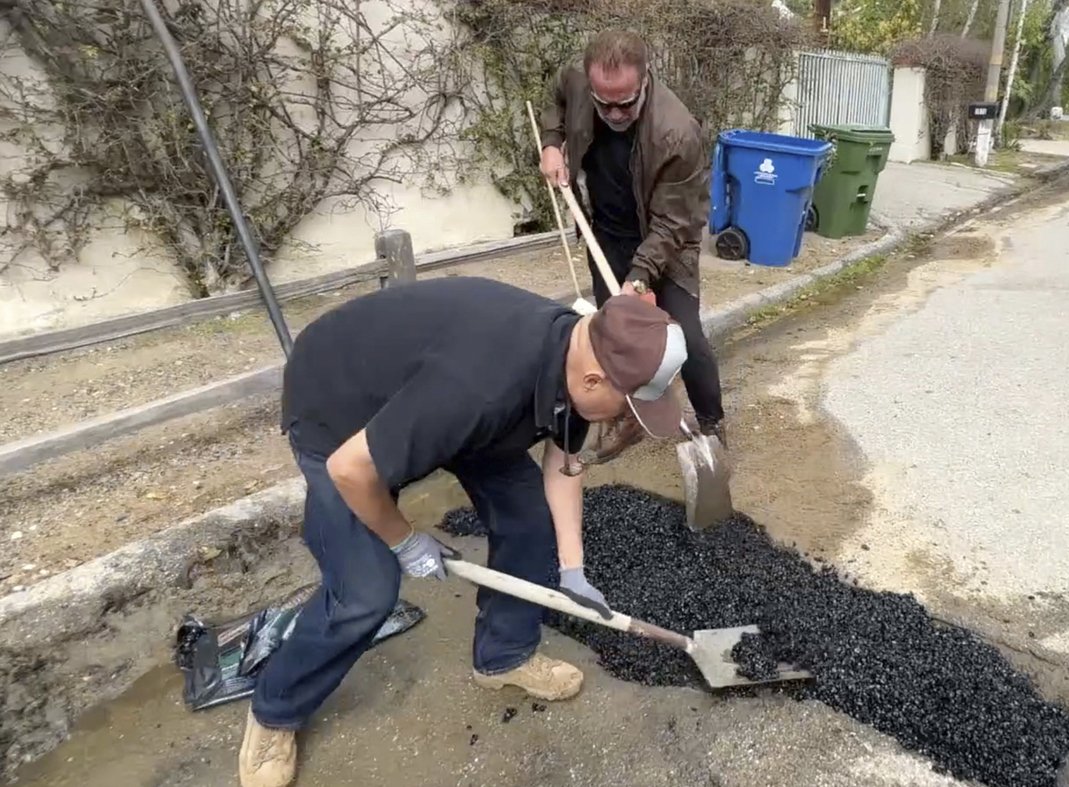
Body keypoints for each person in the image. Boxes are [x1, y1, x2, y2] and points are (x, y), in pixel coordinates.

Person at [238, 276, 688, 787]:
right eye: (629, 406)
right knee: (365, 590)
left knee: (528, 519)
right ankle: (274, 712)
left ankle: (503, 658)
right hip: (339, 408)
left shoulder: (576, 354)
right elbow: (350, 469)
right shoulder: (481, 386)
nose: (628, 419)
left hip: (438, 402)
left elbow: (564, 460)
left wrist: (572, 567)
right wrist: (404, 541)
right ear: (592, 381)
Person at [538, 29, 726, 463]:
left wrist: (639, 276)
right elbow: (557, 98)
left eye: (626, 102)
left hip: (666, 239)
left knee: (687, 337)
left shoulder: (677, 132)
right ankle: (626, 417)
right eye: (605, 103)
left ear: (645, 81)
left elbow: (675, 221)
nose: (615, 112)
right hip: (606, 232)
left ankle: (713, 426)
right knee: (613, 336)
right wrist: (551, 143)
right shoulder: (580, 83)